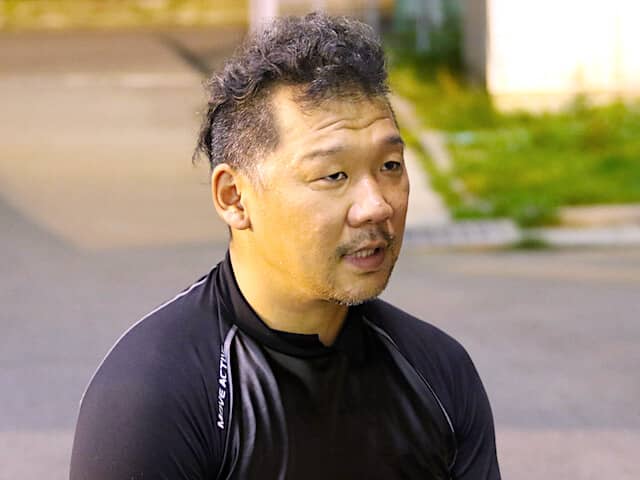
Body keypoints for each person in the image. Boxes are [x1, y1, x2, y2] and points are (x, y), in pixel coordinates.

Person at [70, 12, 500, 480]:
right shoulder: (154, 395)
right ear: (234, 198)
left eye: (390, 166)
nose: (376, 205)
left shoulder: (438, 374)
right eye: (333, 175)